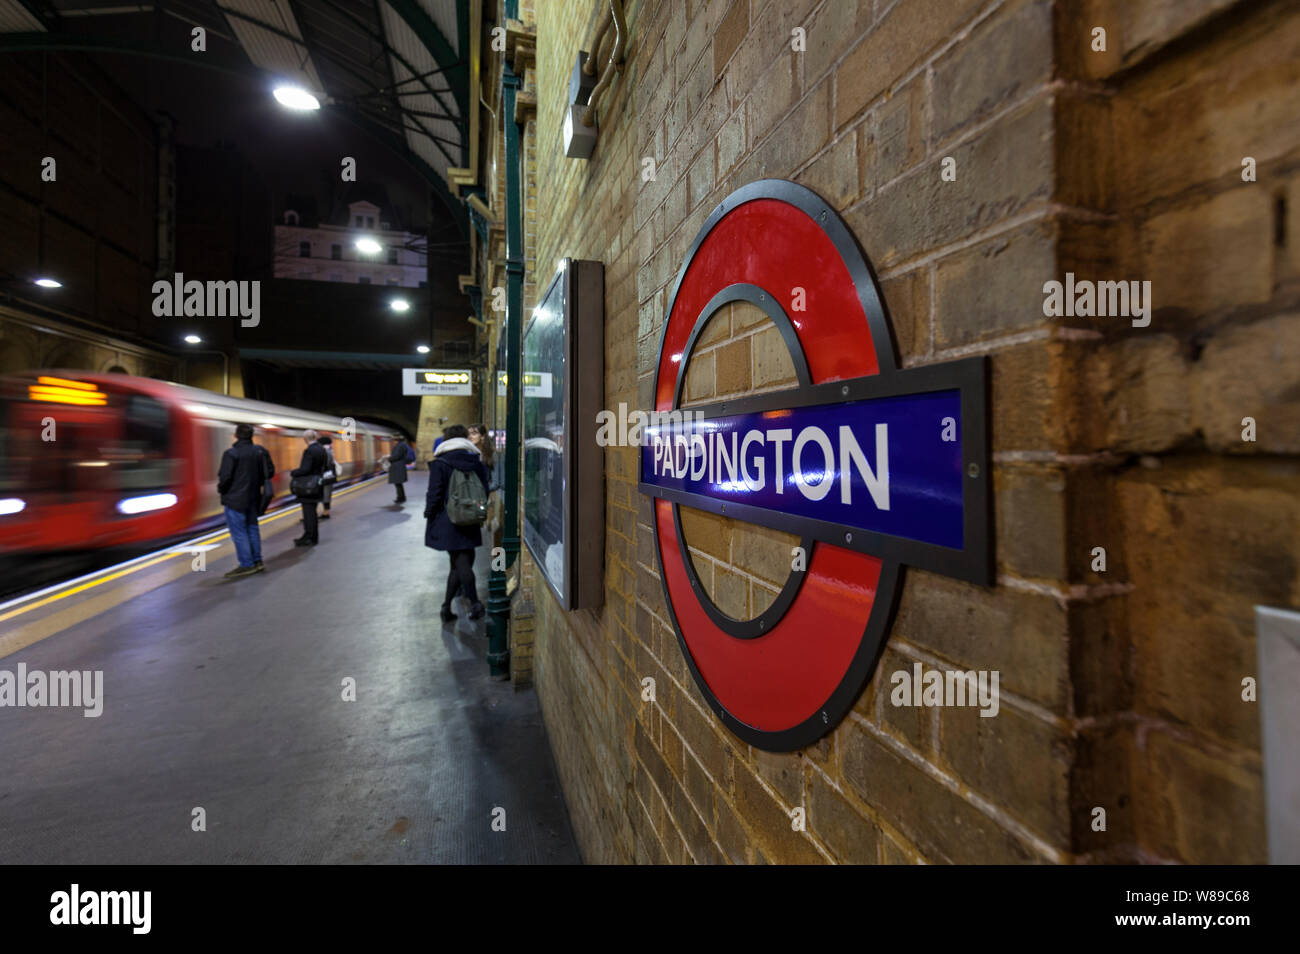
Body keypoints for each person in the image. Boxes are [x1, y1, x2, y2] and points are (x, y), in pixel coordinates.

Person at [425, 424, 490, 623]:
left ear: (446, 439)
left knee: (460, 563)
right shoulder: (476, 461)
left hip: (448, 520)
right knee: (460, 563)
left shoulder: (440, 463)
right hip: (469, 518)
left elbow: (434, 494)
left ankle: (475, 604)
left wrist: (429, 513)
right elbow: (484, 491)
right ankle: (446, 608)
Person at [216, 423, 275, 577]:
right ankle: (257, 561)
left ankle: (246, 564)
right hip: (254, 497)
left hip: (235, 499)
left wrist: (222, 490)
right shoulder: (261, 452)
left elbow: (225, 478)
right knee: (252, 528)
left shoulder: (231, 453)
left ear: (236, 435)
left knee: (239, 533)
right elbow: (270, 471)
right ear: (251, 436)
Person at [291, 428, 328, 546]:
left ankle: (309, 537)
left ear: (305, 439)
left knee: (308, 513)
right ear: (315, 438)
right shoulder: (322, 449)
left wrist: (294, 472)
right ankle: (312, 536)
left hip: (308, 486)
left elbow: (305, 469)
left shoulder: (309, 451)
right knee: (312, 511)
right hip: (317, 484)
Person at [317, 434, 337, 519]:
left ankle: (326, 513)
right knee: (327, 494)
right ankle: (326, 512)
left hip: (325, 476)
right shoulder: (330, 451)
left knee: (325, 494)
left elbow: (325, 464)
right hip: (329, 476)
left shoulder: (326, 451)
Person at [388, 435, 411, 504]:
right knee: (398, 484)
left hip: (398, 467)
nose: (393, 441)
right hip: (399, 466)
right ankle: (401, 497)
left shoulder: (400, 446)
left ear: (397, 439)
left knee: (398, 484)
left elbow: (397, 456)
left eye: (394, 439)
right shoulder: (402, 445)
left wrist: (389, 458)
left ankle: (400, 498)